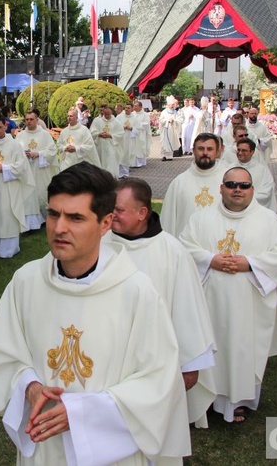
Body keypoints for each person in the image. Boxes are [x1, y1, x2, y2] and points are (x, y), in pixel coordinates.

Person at [0, 162, 190, 465]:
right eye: (53, 214)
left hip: (112, 450)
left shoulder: (136, 292)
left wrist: (83, 413)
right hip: (45, 444)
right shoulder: (26, 281)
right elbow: (0, 351)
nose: (59, 228)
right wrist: (30, 387)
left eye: (75, 217)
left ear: (105, 224)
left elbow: (160, 381)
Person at [179, 166, 277, 423]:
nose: (237, 190)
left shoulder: (270, 221)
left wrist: (250, 264)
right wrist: (210, 259)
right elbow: (184, 246)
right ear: (221, 188)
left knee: (242, 348)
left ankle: (238, 401)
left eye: (243, 185)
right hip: (209, 301)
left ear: (252, 189)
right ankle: (205, 399)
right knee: (211, 346)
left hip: (251, 302)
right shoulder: (200, 219)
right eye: (231, 184)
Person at [107, 178, 217, 428]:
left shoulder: (171, 251)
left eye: (119, 210)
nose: (111, 215)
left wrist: (190, 365)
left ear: (142, 213)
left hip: (153, 358)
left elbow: (187, 309)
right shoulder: (101, 243)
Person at [0, 115, 35, 258]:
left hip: (10, 187)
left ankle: (10, 248)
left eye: (0, 127)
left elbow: (22, 166)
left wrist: (4, 169)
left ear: (5, 126)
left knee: (8, 215)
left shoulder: (14, 145)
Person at [160, 133, 227, 238]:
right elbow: (168, 221)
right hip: (185, 248)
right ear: (193, 150)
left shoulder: (228, 180)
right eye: (200, 149)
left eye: (210, 149)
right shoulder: (179, 182)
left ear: (217, 152)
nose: (205, 153)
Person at [15, 111, 59, 231]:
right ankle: (31, 224)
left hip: (40, 169)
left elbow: (52, 151)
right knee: (28, 195)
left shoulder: (44, 134)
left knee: (41, 193)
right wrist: (23, 154)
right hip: (26, 170)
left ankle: (45, 218)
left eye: (31, 119)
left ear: (37, 120)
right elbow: (16, 151)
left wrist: (38, 154)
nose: (28, 122)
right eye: (27, 119)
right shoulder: (21, 135)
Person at [231, 138, 277, 213]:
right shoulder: (229, 169)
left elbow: (267, 191)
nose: (240, 153)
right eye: (238, 150)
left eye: (244, 150)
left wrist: (244, 200)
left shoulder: (262, 170)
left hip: (256, 211)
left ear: (252, 152)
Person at [89, 104, 125, 178]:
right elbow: (92, 132)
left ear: (111, 113)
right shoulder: (97, 121)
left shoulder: (116, 122)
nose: (107, 116)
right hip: (100, 147)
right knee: (101, 164)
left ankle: (112, 178)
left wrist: (111, 135)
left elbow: (121, 134)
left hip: (112, 146)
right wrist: (99, 134)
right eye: (105, 114)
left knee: (111, 163)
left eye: (108, 114)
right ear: (103, 113)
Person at [159, 96, 183, 161]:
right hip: (165, 129)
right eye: (171, 105)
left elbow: (180, 119)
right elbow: (161, 120)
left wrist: (174, 120)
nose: (172, 106)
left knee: (171, 142)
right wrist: (167, 121)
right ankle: (164, 155)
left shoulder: (176, 112)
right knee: (165, 142)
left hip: (172, 129)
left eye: (173, 104)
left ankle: (169, 156)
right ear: (168, 105)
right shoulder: (164, 112)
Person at [131, 101, 151, 165]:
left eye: (136, 106)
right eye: (134, 106)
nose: (134, 107)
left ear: (140, 107)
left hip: (141, 133)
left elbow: (146, 124)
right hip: (133, 133)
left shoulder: (145, 115)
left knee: (140, 148)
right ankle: (133, 162)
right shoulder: (132, 114)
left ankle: (140, 162)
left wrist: (138, 125)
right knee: (133, 147)